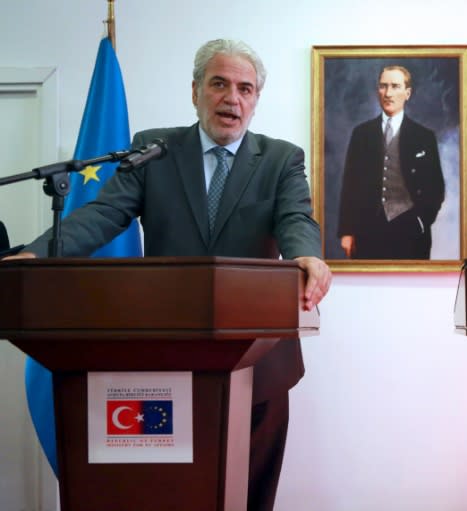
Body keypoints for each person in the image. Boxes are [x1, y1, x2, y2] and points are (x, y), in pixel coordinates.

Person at [5, 39, 331, 511]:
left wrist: (308, 256)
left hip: (258, 363)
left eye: (245, 88)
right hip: (165, 360)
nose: (232, 99)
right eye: (219, 84)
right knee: (168, 492)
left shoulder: (281, 158)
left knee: (251, 495)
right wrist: (36, 256)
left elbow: (297, 219)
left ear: (256, 98)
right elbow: (103, 214)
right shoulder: (153, 150)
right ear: (196, 90)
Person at [337, 65, 445, 259]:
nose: (388, 93)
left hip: (410, 232)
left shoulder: (424, 136)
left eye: (395, 86)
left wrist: (421, 221)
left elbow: (436, 188)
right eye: (383, 86)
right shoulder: (362, 134)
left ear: (408, 93)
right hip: (367, 231)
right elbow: (350, 186)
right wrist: (347, 231)